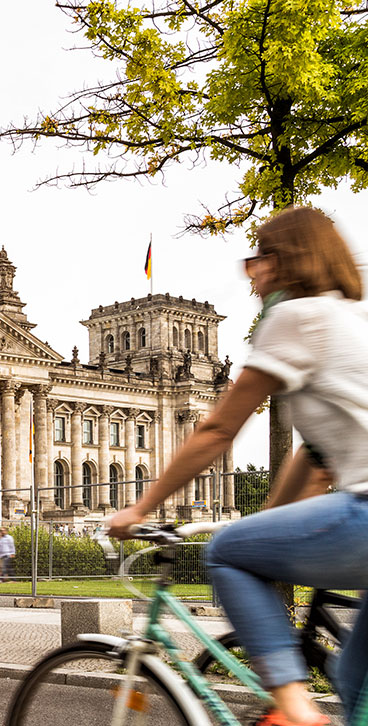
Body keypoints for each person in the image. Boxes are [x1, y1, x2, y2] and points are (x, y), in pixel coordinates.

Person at [109, 207, 368, 726]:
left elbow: (216, 430)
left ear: (284, 261)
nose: (251, 279)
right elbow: (314, 457)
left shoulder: (296, 316)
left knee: (226, 551)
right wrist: (267, 522)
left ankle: (294, 708)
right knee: (354, 688)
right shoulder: (354, 320)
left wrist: (139, 507)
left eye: (257, 262)